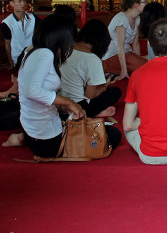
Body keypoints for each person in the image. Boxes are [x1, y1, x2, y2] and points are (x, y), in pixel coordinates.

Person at [18, 14, 121, 158]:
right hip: (47, 140)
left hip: (35, 131)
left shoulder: (32, 52)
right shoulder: (45, 54)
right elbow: (32, 91)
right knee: (113, 135)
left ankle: (21, 138)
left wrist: (65, 105)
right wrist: (68, 102)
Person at [123, 18, 167, 165]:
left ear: (149, 44)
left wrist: (146, 120)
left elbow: (127, 124)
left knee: (129, 130)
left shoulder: (137, 75)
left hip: (149, 155)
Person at [60, 19, 121, 119]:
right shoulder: (93, 59)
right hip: (78, 106)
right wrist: (105, 86)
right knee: (115, 92)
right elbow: (90, 95)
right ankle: (91, 114)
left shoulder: (66, 48)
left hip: (59, 101)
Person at [102, 0, 146, 80]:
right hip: (114, 54)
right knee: (145, 66)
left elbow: (136, 44)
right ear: (135, 4)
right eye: (144, 2)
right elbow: (120, 46)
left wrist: (138, 60)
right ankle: (112, 69)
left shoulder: (137, 19)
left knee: (146, 62)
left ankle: (113, 71)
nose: (146, 4)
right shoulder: (121, 18)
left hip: (127, 53)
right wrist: (124, 70)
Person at [2, 0, 37, 70]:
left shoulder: (33, 18)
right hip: (18, 57)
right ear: (11, 3)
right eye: (19, 1)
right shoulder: (7, 23)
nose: (23, 4)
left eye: (24, 1)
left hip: (32, 53)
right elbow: (7, 44)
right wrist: (11, 63)